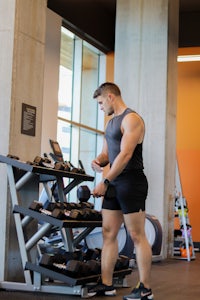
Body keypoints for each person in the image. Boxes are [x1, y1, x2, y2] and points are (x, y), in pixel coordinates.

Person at [87, 82, 153, 300]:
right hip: (114, 183)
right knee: (108, 233)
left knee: (136, 234)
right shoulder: (111, 123)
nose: (100, 107)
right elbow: (109, 154)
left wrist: (104, 181)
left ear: (110, 97)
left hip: (131, 182)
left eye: (100, 103)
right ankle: (107, 284)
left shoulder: (132, 119)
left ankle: (145, 288)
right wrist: (98, 160)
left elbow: (124, 156)